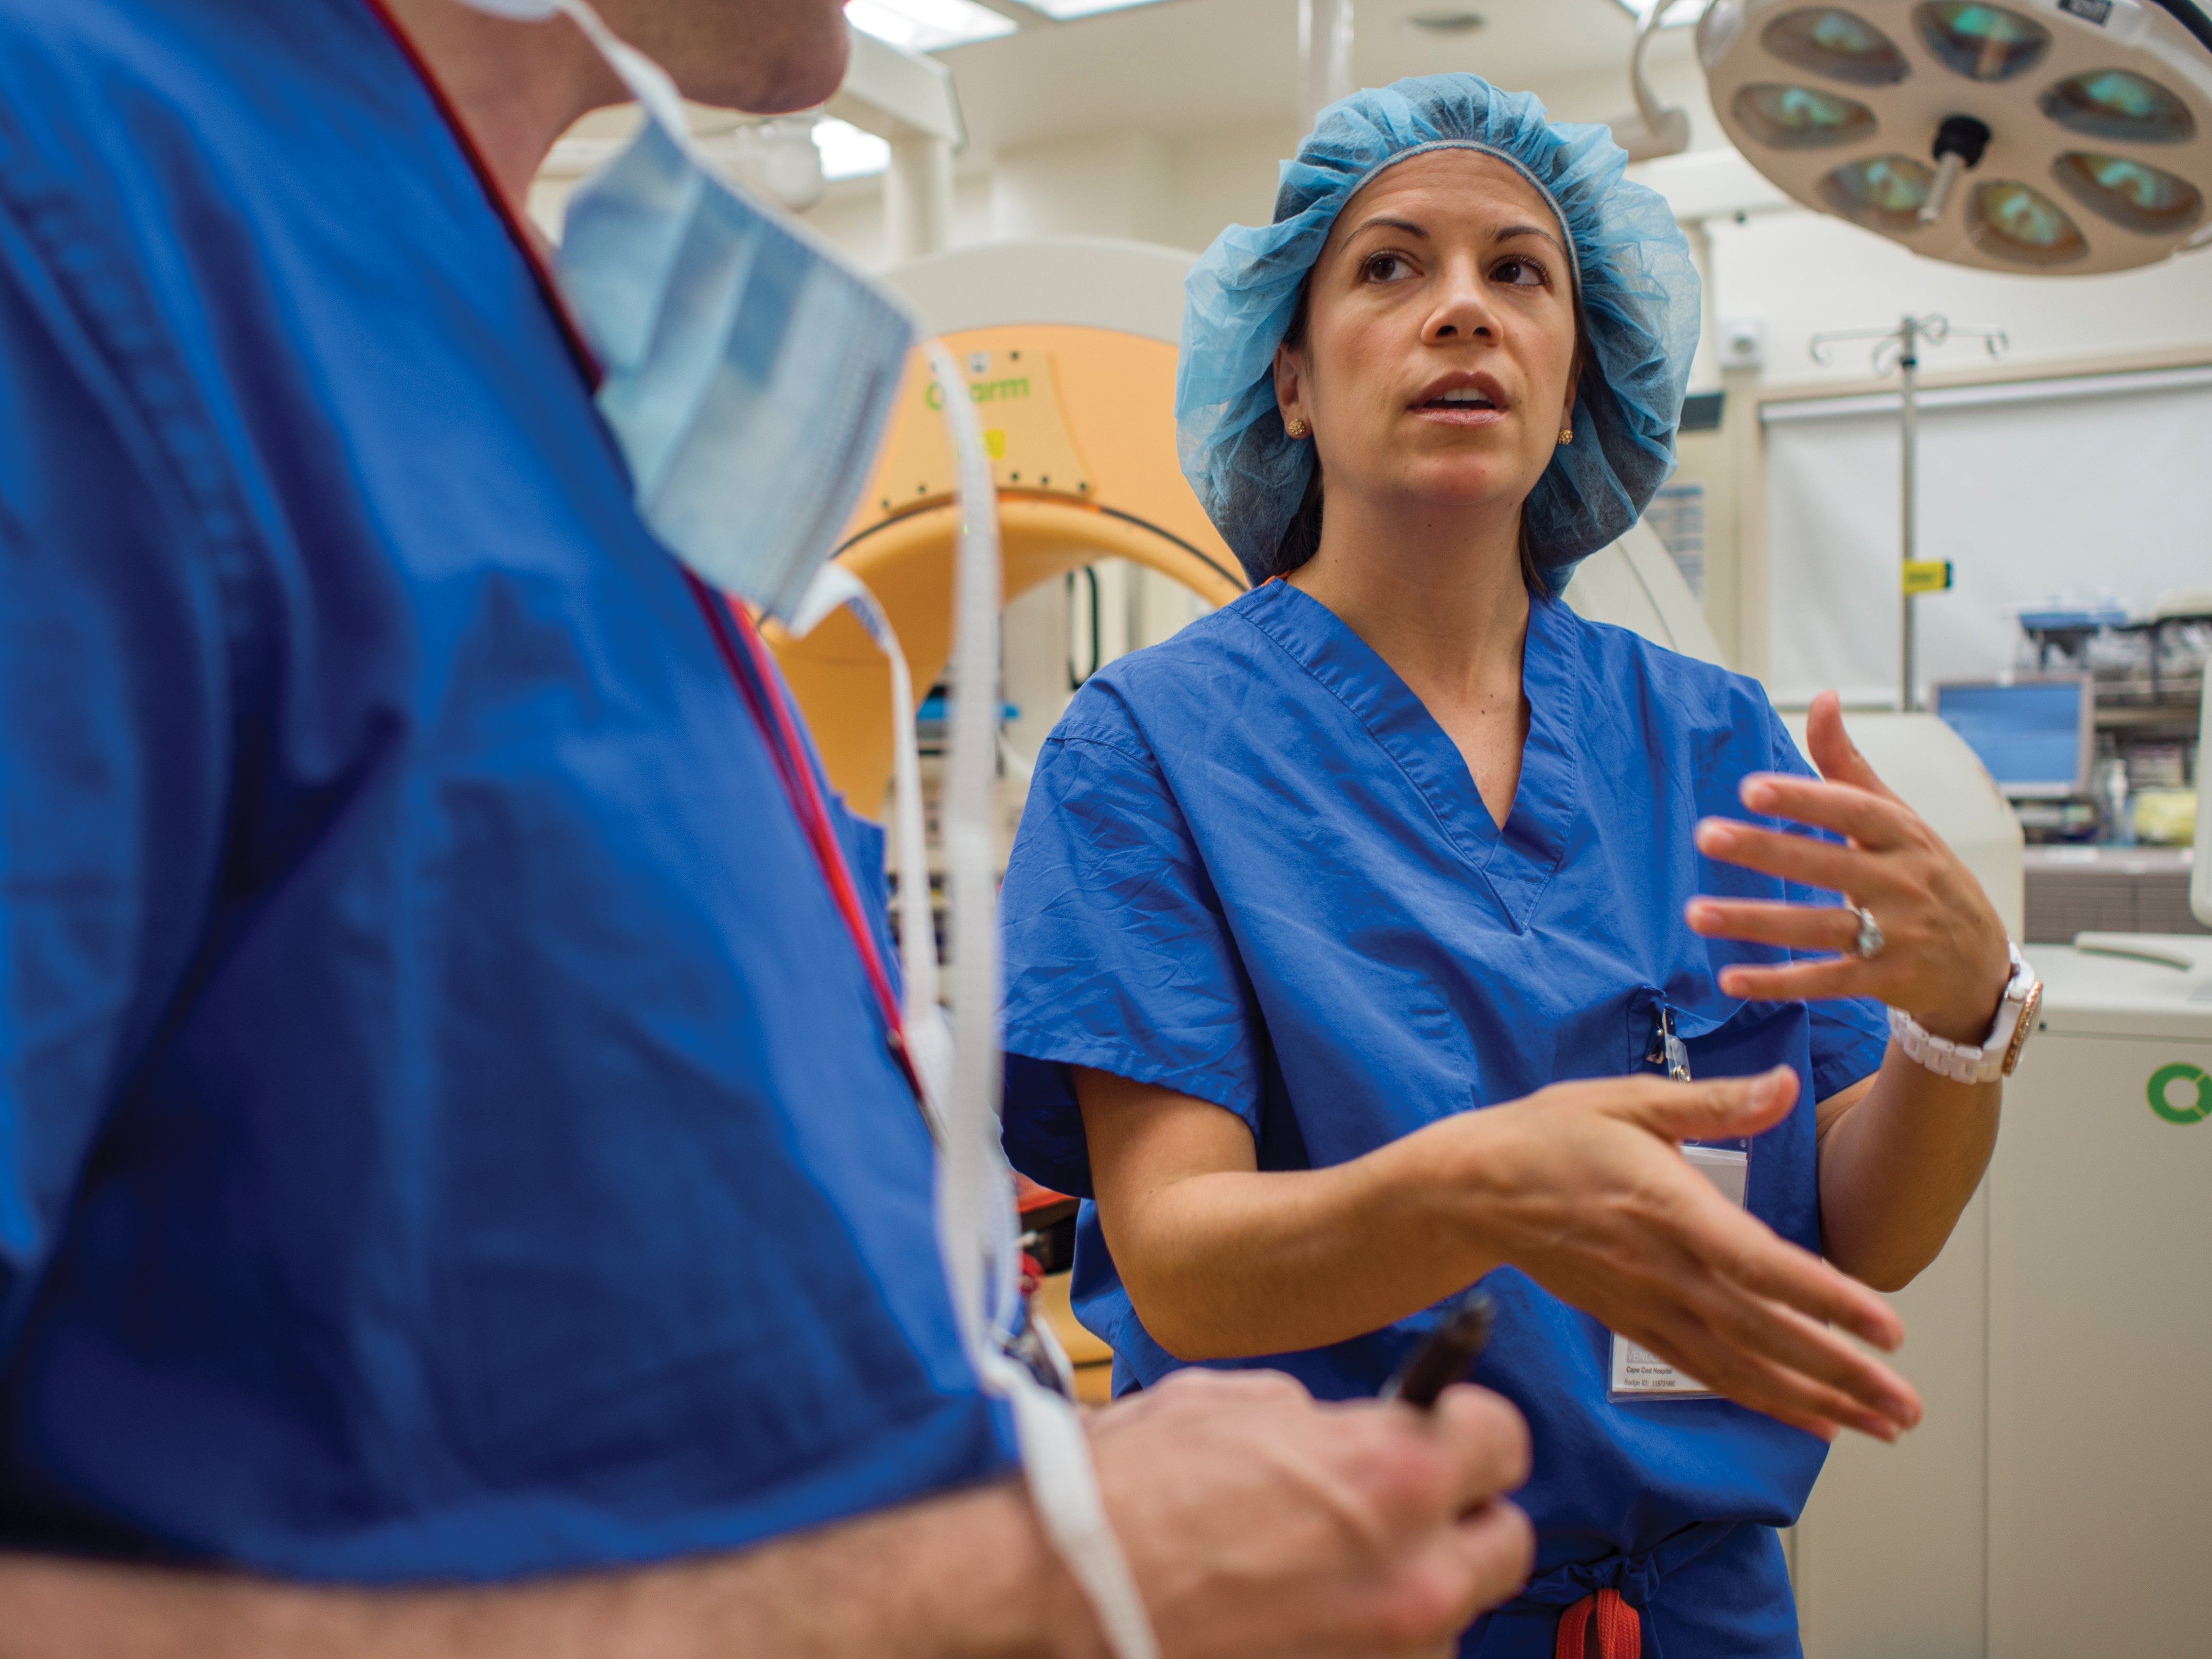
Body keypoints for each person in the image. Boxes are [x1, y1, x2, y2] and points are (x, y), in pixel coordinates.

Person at [0, 6, 1539, 1655]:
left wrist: (1041, 1487)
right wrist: (1019, 1588)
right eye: (1391, 268)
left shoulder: (507, 347)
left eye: (1520, 272)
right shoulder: (77, 214)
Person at [999, 76, 2040, 1658]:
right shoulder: (1148, 750)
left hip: (1697, 1610)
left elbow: (1855, 1223)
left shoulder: (1713, 735)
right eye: (1391, 265)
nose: (1463, 310)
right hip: (1335, 1610)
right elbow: (1186, 1265)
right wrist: (1490, 1191)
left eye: (1518, 272)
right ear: (1290, 381)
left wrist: (1960, 1030)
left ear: (1575, 389)